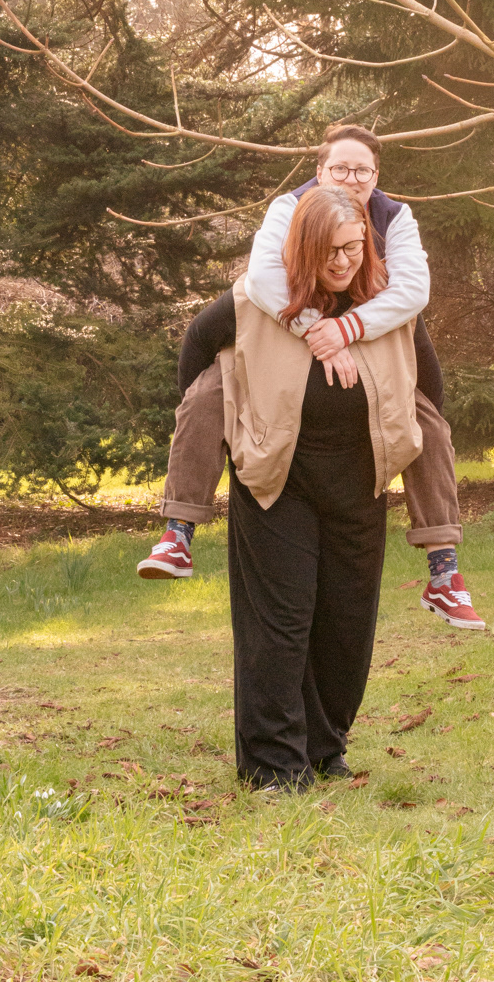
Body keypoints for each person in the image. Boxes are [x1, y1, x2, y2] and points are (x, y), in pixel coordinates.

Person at [138, 124, 484, 629]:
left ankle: (444, 572)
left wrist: (347, 329)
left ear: (376, 176)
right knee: (210, 392)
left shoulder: (395, 217)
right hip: (281, 322)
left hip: (368, 325)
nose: (350, 178)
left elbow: (412, 291)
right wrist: (313, 329)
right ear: (319, 172)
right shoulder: (288, 210)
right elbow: (260, 281)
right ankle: (178, 529)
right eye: (339, 168)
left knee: (426, 424)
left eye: (362, 170)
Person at [176, 185, 414, 788]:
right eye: (330, 251)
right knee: (281, 624)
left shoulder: (386, 306)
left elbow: (427, 387)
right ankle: (273, 764)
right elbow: (195, 357)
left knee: (346, 623)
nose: (343, 262)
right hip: (276, 481)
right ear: (304, 248)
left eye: (354, 248)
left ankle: (325, 747)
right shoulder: (255, 300)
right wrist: (234, 433)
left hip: (359, 485)